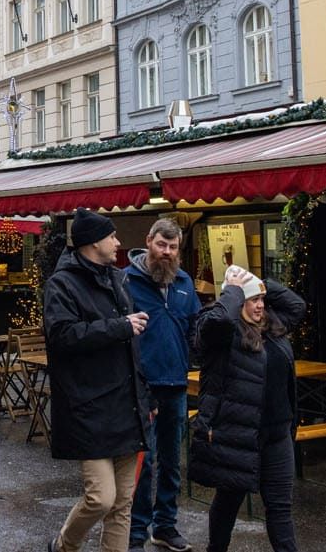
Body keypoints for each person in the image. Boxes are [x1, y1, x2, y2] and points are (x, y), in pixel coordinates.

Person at [44, 209, 149, 552]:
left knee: (122, 504)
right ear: (92, 242)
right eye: (112, 236)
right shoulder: (62, 283)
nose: (118, 242)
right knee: (102, 498)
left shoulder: (117, 278)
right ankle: (64, 544)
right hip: (89, 407)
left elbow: (132, 350)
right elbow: (61, 336)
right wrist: (118, 327)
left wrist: (148, 400)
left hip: (125, 404)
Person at [188, 266, 307, 552]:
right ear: (237, 301)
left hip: (277, 434)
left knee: (280, 507)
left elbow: (297, 305)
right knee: (228, 503)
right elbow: (216, 323)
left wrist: (259, 284)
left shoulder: (273, 326)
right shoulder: (222, 331)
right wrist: (233, 289)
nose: (260, 306)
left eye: (262, 300)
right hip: (239, 435)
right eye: (253, 300)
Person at [123, 218, 200, 551]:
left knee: (171, 459)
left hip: (177, 383)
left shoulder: (184, 282)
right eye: (161, 245)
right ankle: (136, 530)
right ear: (148, 241)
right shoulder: (128, 281)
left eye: (172, 247)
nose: (166, 253)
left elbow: (194, 326)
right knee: (146, 460)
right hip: (143, 385)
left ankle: (165, 525)